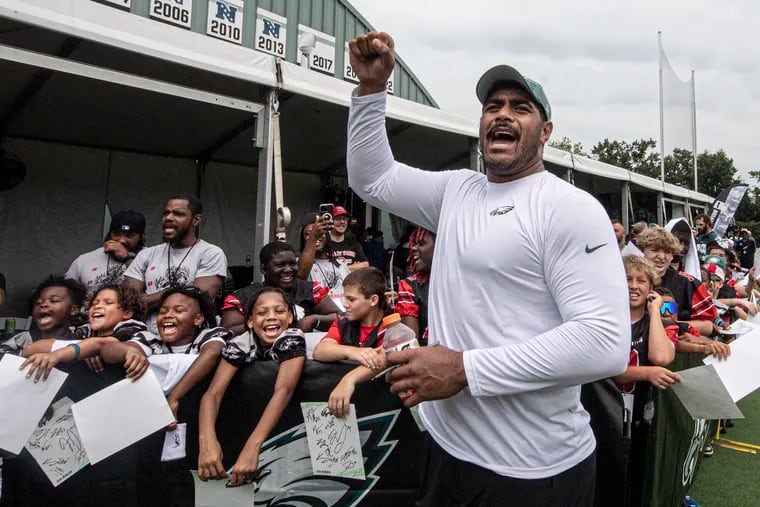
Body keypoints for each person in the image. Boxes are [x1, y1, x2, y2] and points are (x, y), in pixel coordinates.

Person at [345, 32, 629, 505]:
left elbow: (604, 343)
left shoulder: (568, 207)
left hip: (532, 471)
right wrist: (372, 90)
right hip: (446, 449)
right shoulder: (459, 191)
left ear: (545, 131)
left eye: (521, 107)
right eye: (493, 105)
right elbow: (372, 178)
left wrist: (465, 369)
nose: (502, 113)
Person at [197, 287, 306, 485]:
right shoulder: (240, 343)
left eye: (279, 311)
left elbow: (284, 390)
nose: (271, 317)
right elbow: (213, 394)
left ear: (290, 317)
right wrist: (207, 441)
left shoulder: (292, 337)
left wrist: (252, 447)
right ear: (250, 321)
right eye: (262, 312)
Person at [101, 286, 232, 421]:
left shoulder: (209, 335)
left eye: (179, 310)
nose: (168, 315)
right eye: (162, 311)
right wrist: (129, 350)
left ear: (198, 319)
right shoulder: (151, 340)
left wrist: (174, 397)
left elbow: (213, 352)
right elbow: (108, 350)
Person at [615, 255, 680, 507]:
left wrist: (654, 312)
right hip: (605, 412)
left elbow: (660, 357)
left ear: (651, 288)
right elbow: (606, 370)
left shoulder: (657, 321)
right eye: (627, 279)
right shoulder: (608, 320)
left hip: (641, 416)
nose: (633, 285)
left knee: (636, 477)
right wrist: (646, 373)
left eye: (641, 280)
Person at [123, 194, 227, 333]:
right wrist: (180, 291)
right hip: (146, 336)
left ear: (196, 220)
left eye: (178, 214)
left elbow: (198, 300)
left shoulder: (210, 253)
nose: (169, 218)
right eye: (166, 213)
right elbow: (128, 301)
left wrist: (146, 300)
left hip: (191, 338)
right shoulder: (146, 255)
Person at [19, 284, 147, 381]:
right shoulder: (86, 330)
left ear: (127, 313)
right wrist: (86, 349)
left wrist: (57, 355)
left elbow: (106, 344)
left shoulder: (133, 327)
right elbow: (43, 345)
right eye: (94, 303)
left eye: (108, 303)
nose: (97, 306)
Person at [312, 267, 389, 418]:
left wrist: (349, 379)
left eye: (351, 299)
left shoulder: (392, 327)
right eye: (345, 298)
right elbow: (320, 350)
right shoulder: (343, 323)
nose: (344, 304)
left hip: (379, 409)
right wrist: (353, 351)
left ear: (373, 300)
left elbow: (387, 358)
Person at [220, 241, 340, 335]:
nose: (288, 270)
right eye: (280, 265)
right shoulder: (243, 297)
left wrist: (314, 319)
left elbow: (342, 317)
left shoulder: (308, 290)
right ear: (263, 269)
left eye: (293, 264)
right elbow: (225, 332)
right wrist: (267, 320)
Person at [637, 227, 717, 337]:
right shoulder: (628, 281)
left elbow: (708, 325)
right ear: (642, 250)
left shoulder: (688, 283)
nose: (661, 257)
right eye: (654, 250)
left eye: (667, 252)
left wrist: (670, 325)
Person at [0, 276, 86, 357]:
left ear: (73, 310)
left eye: (54, 301)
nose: (44, 304)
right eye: (38, 303)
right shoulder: (22, 340)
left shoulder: (82, 342)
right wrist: (26, 351)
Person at [66, 210, 147, 294]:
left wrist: (127, 258)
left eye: (129, 236)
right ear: (109, 234)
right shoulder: (84, 260)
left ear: (142, 237)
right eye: (116, 234)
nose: (121, 240)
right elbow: (66, 292)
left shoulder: (152, 257)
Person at [298, 213, 351, 311]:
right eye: (308, 234)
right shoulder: (299, 264)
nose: (316, 236)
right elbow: (301, 274)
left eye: (320, 233)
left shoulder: (340, 264)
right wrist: (313, 238)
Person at [394, 227, 435, 343]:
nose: (413, 248)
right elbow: (411, 345)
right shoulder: (409, 286)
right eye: (413, 244)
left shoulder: (462, 282)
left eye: (421, 243)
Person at [329, 206, 369, 271]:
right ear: (330, 221)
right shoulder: (324, 244)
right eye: (338, 219)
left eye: (345, 219)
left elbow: (365, 265)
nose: (342, 222)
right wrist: (354, 267)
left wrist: (339, 269)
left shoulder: (354, 244)